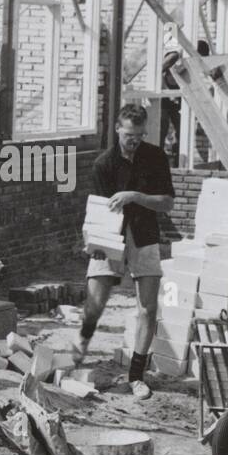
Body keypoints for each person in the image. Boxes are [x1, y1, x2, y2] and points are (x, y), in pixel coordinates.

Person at [75, 103, 176, 399]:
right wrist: (92, 241)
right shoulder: (103, 164)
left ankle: (136, 375)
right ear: (118, 128)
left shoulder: (155, 157)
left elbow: (167, 202)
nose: (134, 140)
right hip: (110, 235)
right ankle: (74, 361)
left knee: (147, 308)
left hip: (144, 235)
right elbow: (96, 210)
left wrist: (136, 196)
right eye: (129, 134)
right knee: (93, 304)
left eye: (139, 135)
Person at [159, 38, 210, 165]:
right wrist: (166, 92)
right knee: (162, 127)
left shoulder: (191, 62)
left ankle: (177, 163)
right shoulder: (174, 56)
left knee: (182, 129)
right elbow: (157, 71)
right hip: (165, 94)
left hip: (178, 94)